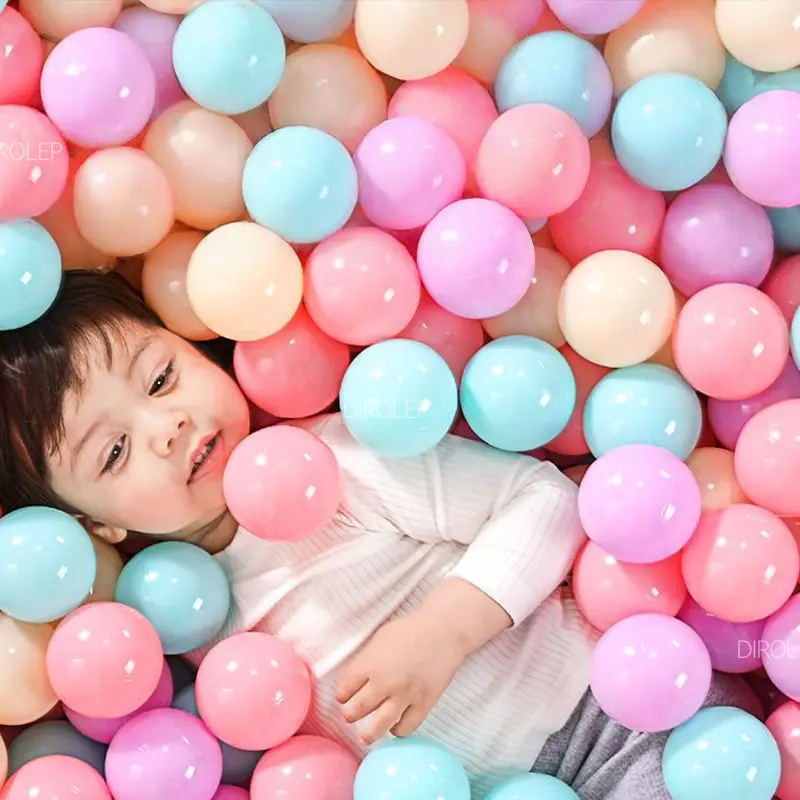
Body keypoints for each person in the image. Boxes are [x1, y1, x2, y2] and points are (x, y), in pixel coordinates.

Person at [0, 270, 759, 799]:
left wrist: (444, 629)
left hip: (622, 720)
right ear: (94, 524)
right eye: (112, 451)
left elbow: (543, 501)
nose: (165, 429)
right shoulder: (162, 624)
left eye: (161, 379)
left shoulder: (332, 463)